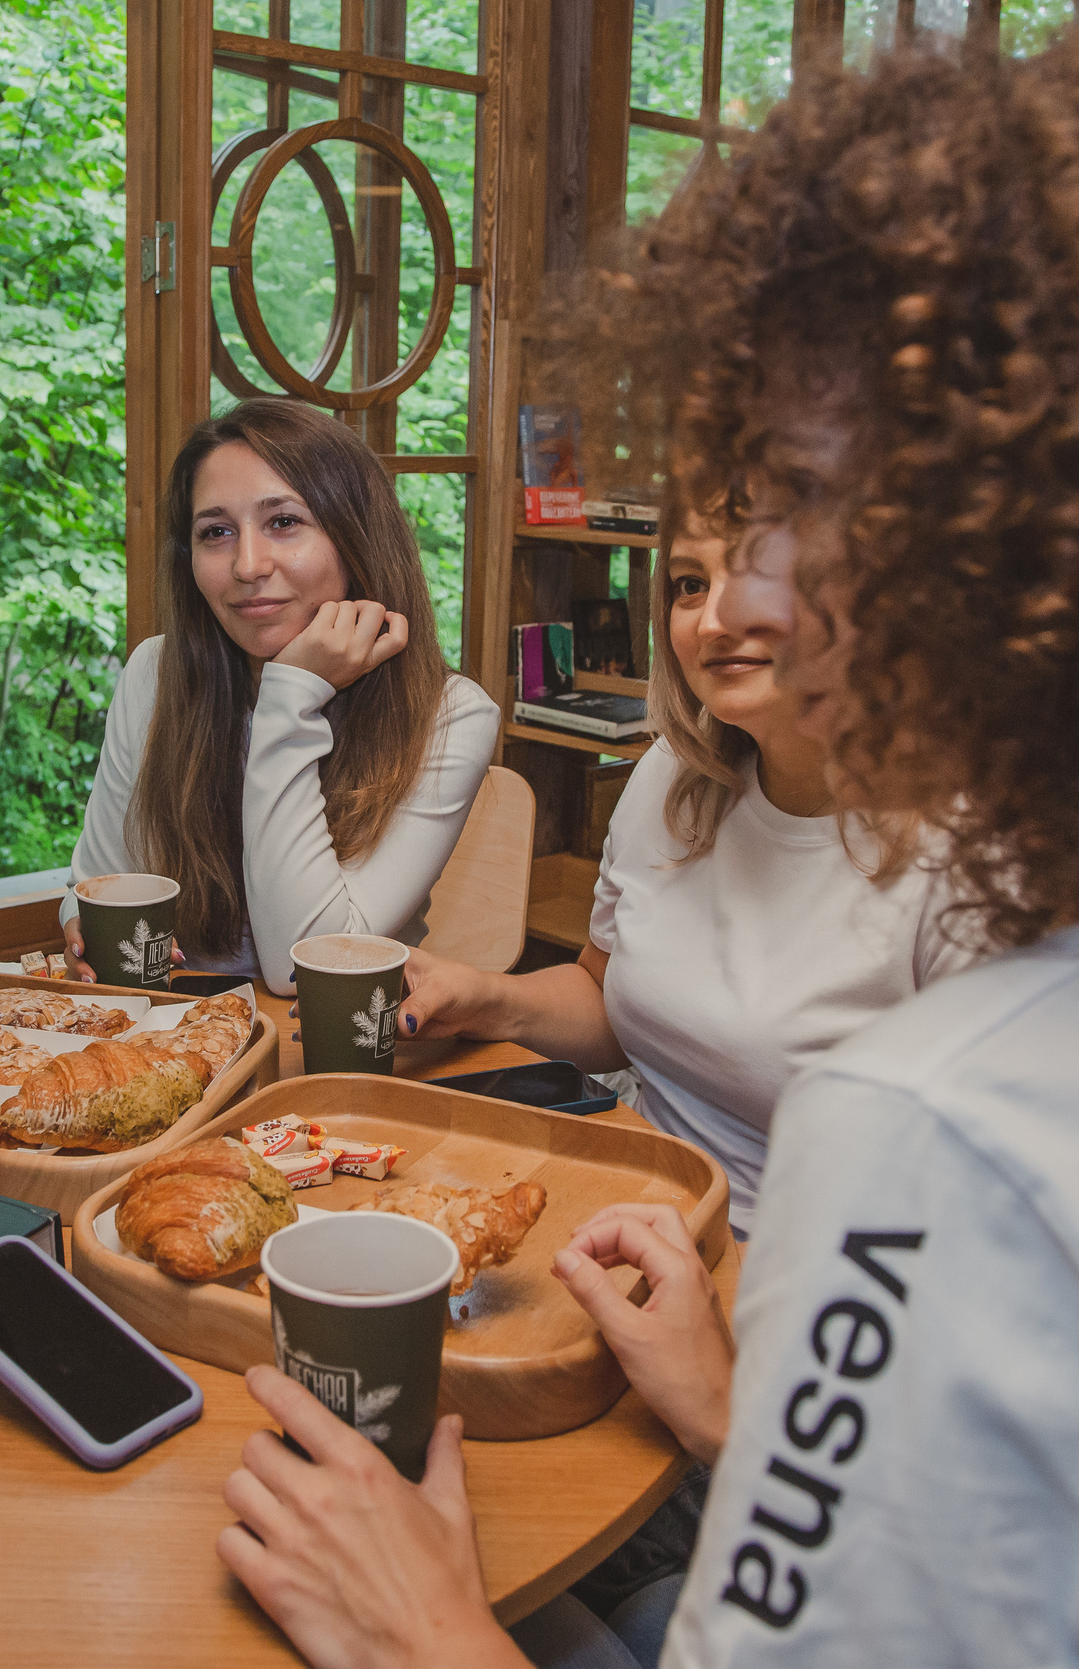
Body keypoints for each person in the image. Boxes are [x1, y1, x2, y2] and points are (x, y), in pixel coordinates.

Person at [212, 22, 1079, 1669]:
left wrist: (417, 1627)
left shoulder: (966, 1134)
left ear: (1031, 543)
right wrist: (748, 1418)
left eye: (806, 497)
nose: (747, 593)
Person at [398, 484, 966, 1226]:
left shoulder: (962, 857)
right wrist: (492, 1000)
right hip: (629, 1197)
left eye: (762, 571)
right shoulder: (673, 774)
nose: (712, 619)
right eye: (691, 583)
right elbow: (608, 999)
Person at [65, 399, 500, 993]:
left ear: (356, 539)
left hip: (327, 1059)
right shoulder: (155, 673)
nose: (247, 565)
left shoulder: (450, 717)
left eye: (284, 522)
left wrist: (290, 698)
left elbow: (302, 967)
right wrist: (80, 924)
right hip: (169, 1039)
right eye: (215, 532)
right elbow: (93, 883)